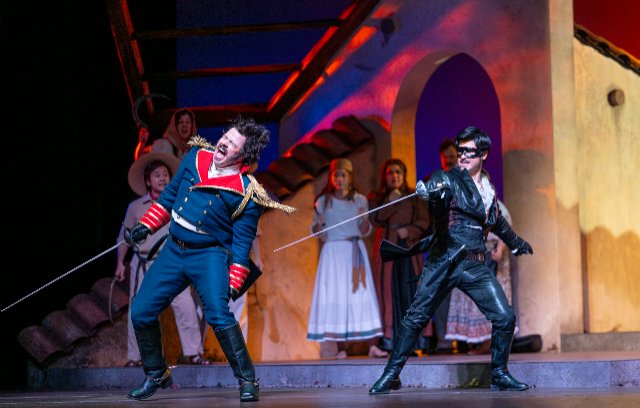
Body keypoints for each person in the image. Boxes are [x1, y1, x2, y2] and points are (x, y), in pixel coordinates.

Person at [123, 116, 295, 402]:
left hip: (209, 255)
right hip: (174, 251)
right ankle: (156, 373)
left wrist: (234, 282)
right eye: (225, 137)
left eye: (232, 144)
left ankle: (247, 379)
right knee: (141, 310)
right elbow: (169, 197)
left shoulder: (246, 193)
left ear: (243, 156)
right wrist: (146, 226)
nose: (223, 143)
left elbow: (242, 244)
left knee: (218, 314)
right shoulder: (195, 157)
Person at [369, 126, 533, 394]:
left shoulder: (487, 188)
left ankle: (500, 373)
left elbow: (497, 222)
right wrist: (432, 196)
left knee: (505, 317)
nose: (463, 156)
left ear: (484, 154)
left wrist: (516, 243)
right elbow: (437, 202)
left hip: (474, 264)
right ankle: (391, 374)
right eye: (460, 151)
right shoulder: (446, 178)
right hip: (445, 260)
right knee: (416, 316)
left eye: (469, 151)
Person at [115, 152, 212, 367]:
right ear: (148, 181)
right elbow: (124, 237)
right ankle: (135, 357)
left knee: (186, 307)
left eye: (166, 175)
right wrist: (120, 263)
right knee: (139, 310)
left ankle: (194, 353)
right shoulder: (136, 207)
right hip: (144, 264)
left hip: (172, 263)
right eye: (157, 175)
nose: (162, 178)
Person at [307, 158, 387, 359]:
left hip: (353, 251)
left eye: (343, 175)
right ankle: (341, 348)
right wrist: (320, 224)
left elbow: (365, 230)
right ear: (331, 178)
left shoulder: (360, 200)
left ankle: (372, 346)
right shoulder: (323, 202)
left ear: (350, 178)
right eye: (336, 175)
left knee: (362, 296)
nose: (339, 179)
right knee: (337, 297)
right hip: (333, 253)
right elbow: (319, 233)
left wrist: (363, 218)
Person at [367, 158, 432, 354]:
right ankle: (390, 340)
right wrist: (391, 201)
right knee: (388, 291)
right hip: (387, 247)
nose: (394, 176)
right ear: (384, 176)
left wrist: (410, 231)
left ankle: (413, 341)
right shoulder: (377, 197)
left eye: (398, 172)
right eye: (390, 172)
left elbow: (424, 221)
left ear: (403, 175)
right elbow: (375, 218)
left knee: (410, 291)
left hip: (408, 249)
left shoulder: (414, 196)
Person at [445, 201, 519, 354]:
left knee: (490, 297)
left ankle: (489, 343)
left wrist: (500, 248)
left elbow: (505, 227)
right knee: (471, 297)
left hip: (491, 254)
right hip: (470, 254)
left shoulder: (493, 204)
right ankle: (477, 342)